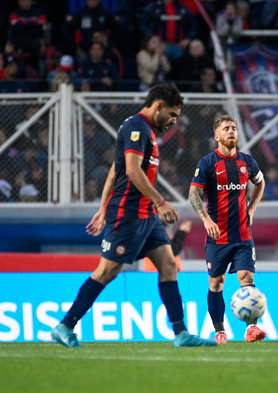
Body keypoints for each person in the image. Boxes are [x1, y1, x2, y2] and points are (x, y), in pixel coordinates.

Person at [51, 84, 215, 348]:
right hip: (128, 213)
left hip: (145, 214)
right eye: (172, 115)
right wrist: (160, 202)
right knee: (107, 271)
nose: (174, 122)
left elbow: (115, 172)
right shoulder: (137, 127)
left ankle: (181, 334)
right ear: (159, 106)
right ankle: (65, 326)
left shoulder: (144, 130)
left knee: (168, 265)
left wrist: (103, 208)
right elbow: (130, 170)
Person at [188, 114, 266, 344]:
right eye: (226, 128)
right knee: (216, 283)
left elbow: (260, 182)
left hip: (243, 235)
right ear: (217, 136)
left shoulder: (247, 162)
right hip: (217, 237)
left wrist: (252, 209)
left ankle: (252, 328)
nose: (231, 131)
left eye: (234, 128)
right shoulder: (207, 163)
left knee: (246, 276)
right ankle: (220, 332)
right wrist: (206, 219)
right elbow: (194, 193)